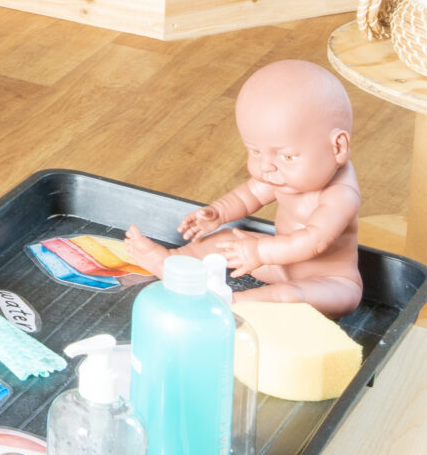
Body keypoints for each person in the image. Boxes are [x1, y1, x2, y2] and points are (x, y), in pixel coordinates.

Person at [123, 59, 363, 317]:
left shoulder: (342, 195)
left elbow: (313, 241)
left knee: (290, 296)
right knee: (226, 239)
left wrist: (259, 252)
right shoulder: (283, 175)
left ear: (337, 147)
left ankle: (233, 304)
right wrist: (218, 213)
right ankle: (172, 262)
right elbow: (250, 194)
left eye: (287, 156)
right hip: (278, 264)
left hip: (329, 283)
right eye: (255, 151)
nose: (266, 166)